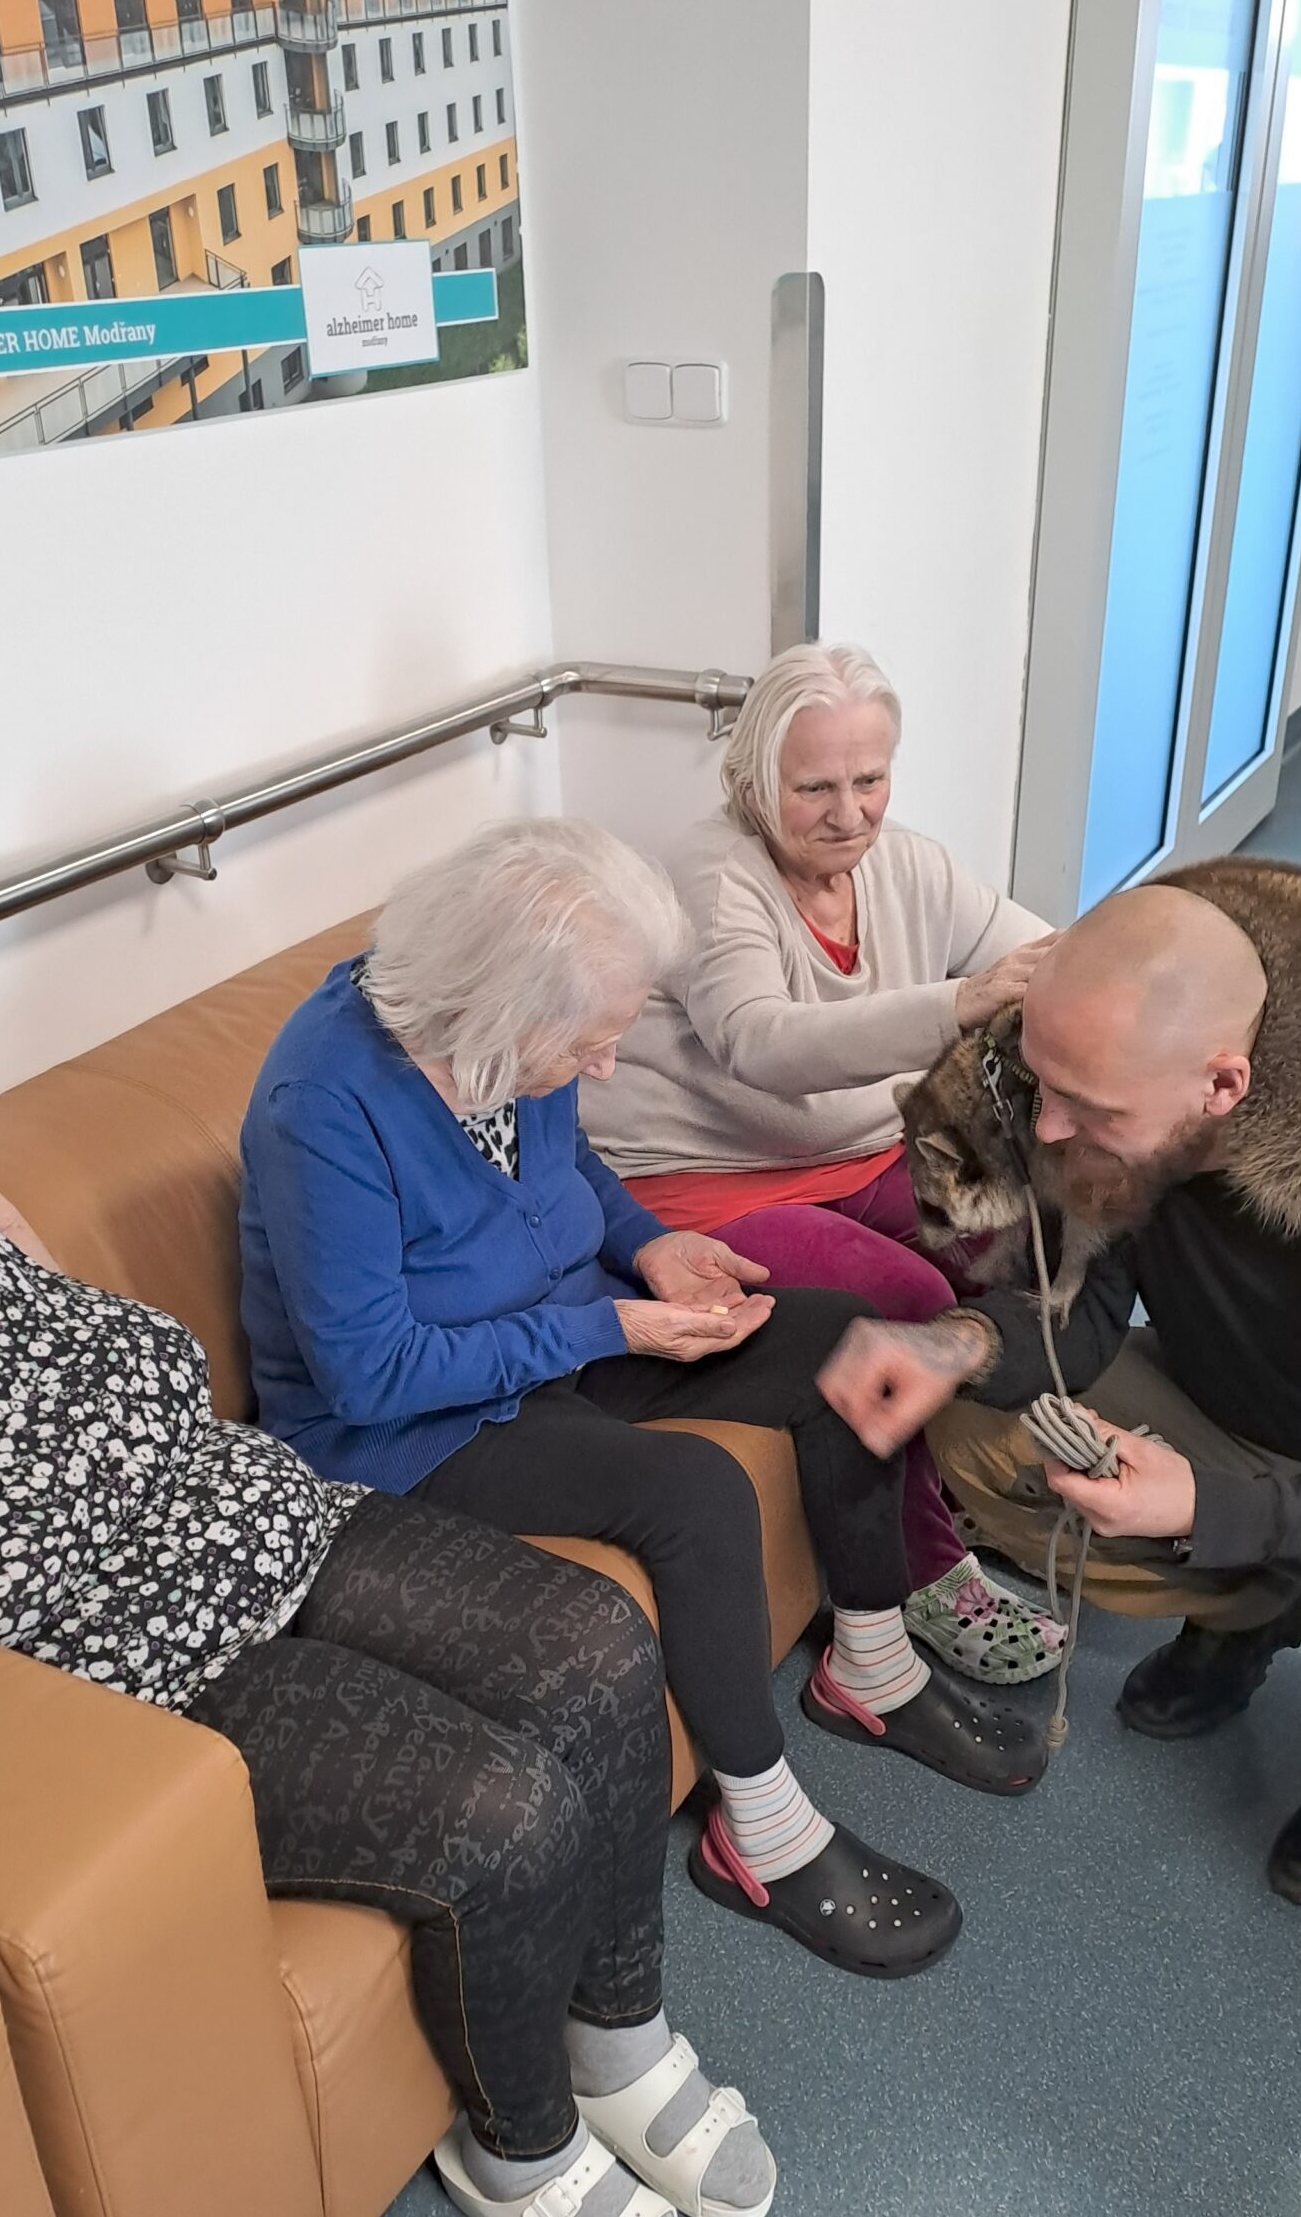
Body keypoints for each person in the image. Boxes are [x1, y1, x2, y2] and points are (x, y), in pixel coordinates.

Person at [0, 1018, 782, 2217]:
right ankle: (520, 2146)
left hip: (248, 1504)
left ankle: (616, 2031)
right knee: (511, 1816)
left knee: (599, 1647)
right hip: (139, 1668)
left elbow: (58, 1301)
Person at [240, 821, 1049, 1980]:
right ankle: (759, 1832)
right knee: (695, 1490)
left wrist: (650, 1246)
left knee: (847, 1338)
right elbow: (372, 1373)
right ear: (497, 1007)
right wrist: (612, 1325)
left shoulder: (507, 1034)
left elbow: (570, 1165)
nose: (608, 1067)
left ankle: (868, 1663)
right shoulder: (321, 1102)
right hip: (416, 1428)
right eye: (590, 1043)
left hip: (561, 1332)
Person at [817, 859, 1301, 1909]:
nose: (1049, 1129)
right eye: (1044, 1086)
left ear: (1223, 1085)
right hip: (1255, 1426)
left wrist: (1208, 1507)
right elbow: (1082, 1318)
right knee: (978, 1425)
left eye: (1087, 1105)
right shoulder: (1109, 1118)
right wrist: (956, 1345)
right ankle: (1258, 1604)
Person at [582, 643, 1064, 1685]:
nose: (849, 814)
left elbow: (1043, 950)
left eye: (869, 779)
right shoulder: (713, 876)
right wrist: (962, 1003)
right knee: (907, 1298)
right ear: (755, 779)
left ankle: (985, 1483)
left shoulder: (912, 866)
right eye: (815, 788)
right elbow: (762, 1042)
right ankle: (926, 1569)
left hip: (854, 1151)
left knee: (1019, 1233)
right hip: (701, 1180)